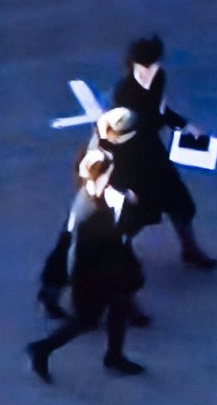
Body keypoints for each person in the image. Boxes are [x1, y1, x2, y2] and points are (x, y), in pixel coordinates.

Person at [27, 149, 146, 383]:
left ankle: (114, 355)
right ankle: (43, 349)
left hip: (108, 266)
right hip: (95, 272)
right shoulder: (90, 209)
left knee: (118, 307)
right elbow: (88, 247)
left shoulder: (99, 196)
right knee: (87, 319)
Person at [111, 35, 217, 269]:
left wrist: (183, 125)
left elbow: (160, 110)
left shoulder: (156, 79)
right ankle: (121, 253)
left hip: (152, 152)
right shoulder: (126, 91)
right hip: (134, 158)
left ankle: (189, 249)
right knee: (138, 211)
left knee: (178, 202)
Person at [35, 108, 150, 326]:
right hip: (96, 213)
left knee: (103, 256)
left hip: (102, 211)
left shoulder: (110, 148)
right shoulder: (98, 154)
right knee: (91, 254)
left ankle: (123, 302)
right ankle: (122, 303)